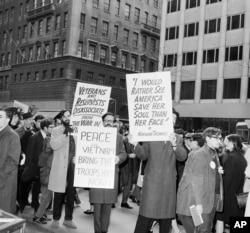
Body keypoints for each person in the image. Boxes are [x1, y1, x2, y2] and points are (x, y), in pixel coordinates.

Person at [132, 108, 187, 233]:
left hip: (168, 184)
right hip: (152, 182)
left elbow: (182, 156)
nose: (172, 121)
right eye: (170, 118)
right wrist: (135, 144)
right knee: (145, 216)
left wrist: (174, 145)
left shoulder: (177, 138)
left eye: (174, 119)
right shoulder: (151, 135)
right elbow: (144, 155)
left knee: (166, 219)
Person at [178, 127, 223, 233]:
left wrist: (217, 171)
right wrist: (198, 204)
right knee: (202, 229)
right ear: (207, 138)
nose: (219, 141)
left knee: (205, 228)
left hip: (211, 198)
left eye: (220, 138)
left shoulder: (213, 153)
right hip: (200, 201)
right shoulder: (200, 154)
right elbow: (196, 181)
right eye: (216, 138)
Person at [89, 112, 128, 233]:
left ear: (114, 123)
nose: (109, 123)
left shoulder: (119, 137)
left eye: (111, 121)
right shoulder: (94, 135)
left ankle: (104, 230)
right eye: (106, 121)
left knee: (107, 206)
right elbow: (87, 151)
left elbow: (123, 153)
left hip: (111, 175)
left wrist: (119, 158)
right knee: (97, 206)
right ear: (103, 122)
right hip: (97, 175)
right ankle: (97, 230)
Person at [48, 110, 77, 229]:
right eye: (64, 116)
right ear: (61, 118)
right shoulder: (56, 130)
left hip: (73, 167)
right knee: (59, 194)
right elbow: (54, 145)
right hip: (60, 167)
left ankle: (68, 219)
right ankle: (55, 219)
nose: (67, 118)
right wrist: (64, 134)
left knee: (71, 194)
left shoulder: (77, 130)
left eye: (69, 115)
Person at [215, 134, 247, 233]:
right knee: (238, 220)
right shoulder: (242, 157)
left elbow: (227, 179)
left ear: (232, 143)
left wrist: (221, 193)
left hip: (228, 194)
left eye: (226, 140)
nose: (224, 143)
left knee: (220, 218)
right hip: (238, 193)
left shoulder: (230, 158)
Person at [176, 133, 205, 233]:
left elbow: (189, 174)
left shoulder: (194, 154)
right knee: (195, 217)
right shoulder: (201, 152)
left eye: (191, 140)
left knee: (183, 215)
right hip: (194, 190)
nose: (189, 142)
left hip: (189, 190)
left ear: (196, 142)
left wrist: (181, 187)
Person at [33, 118, 54, 224]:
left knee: (47, 197)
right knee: (46, 197)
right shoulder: (46, 154)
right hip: (46, 175)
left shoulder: (47, 153)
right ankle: (38, 216)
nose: (53, 128)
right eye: (51, 127)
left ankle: (42, 215)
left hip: (47, 174)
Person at [0, 108, 21, 213]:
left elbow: (12, 162)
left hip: (5, 182)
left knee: (4, 215)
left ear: (8, 119)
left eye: (0, 117)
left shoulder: (12, 135)